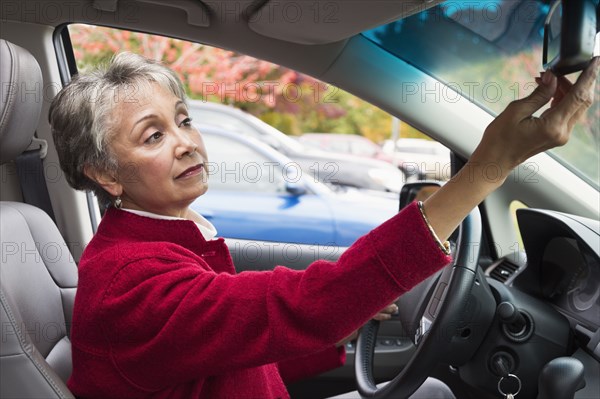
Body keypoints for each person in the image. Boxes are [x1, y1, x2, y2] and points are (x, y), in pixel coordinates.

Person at [49, 52, 598, 399]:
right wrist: (488, 168)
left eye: (184, 120)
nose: (188, 141)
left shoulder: (163, 241)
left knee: (429, 389)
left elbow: (237, 349)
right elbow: (297, 305)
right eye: (153, 136)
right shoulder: (130, 282)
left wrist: (347, 331)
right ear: (104, 173)